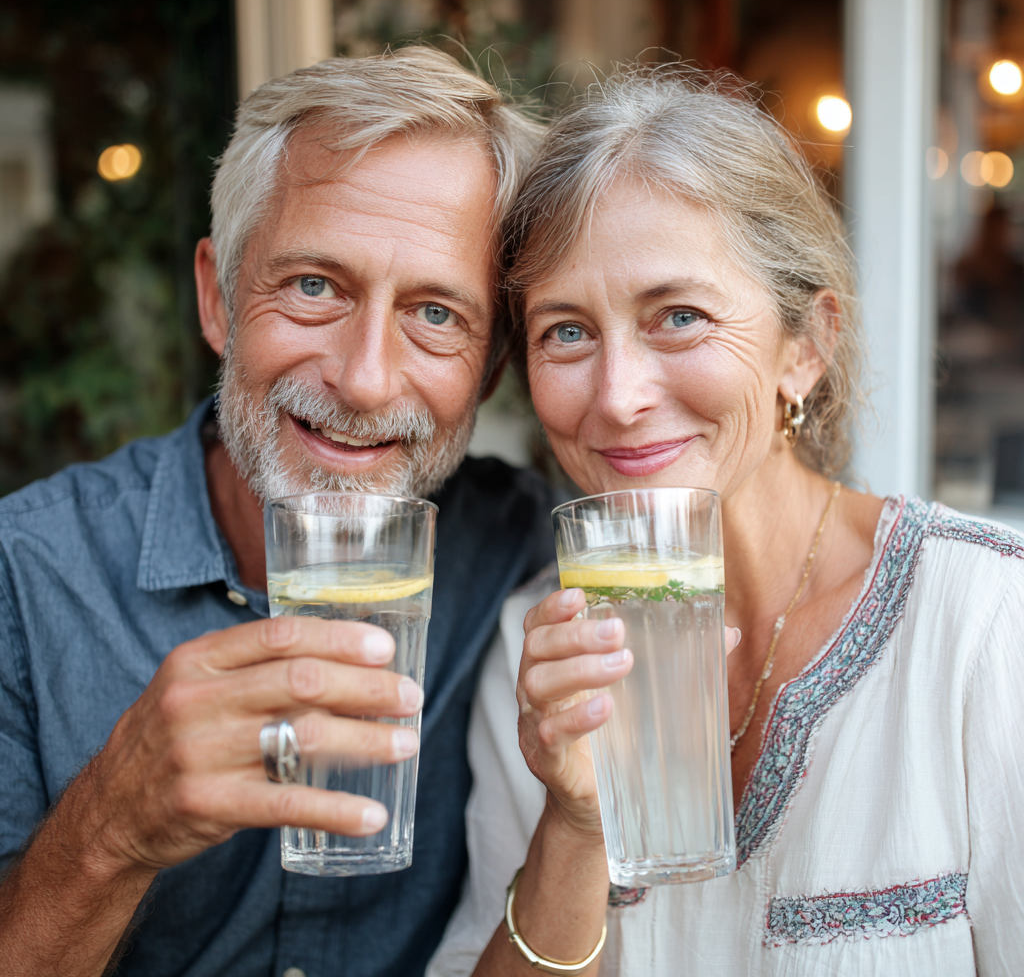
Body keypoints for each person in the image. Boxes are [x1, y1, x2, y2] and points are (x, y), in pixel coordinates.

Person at [427, 69, 1024, 976]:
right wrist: (576, 826)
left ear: (806, 347)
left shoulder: (988, 621)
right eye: (566, 332)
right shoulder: (534, 648)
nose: (618, 398)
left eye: (679, 316)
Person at [0, 48, 560, 977]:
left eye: (435, 314)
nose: (366, 378)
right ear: (218, 299)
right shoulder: (23, 577)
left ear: (493, 368)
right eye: (313, 287)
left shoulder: (525, 555)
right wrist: (109, 830)